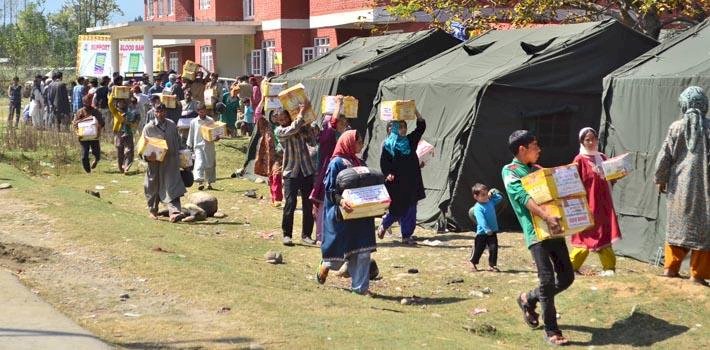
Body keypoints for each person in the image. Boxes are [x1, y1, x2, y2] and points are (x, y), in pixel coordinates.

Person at [502, 130, 573, 346]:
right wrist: (545, 216)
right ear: (522, 149)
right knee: (547, 279)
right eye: (535, 146)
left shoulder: (537, 170)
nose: (539, 149)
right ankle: (552, 330)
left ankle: (528, 298)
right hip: (536, 233)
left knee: (567, 277)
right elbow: (523, 197)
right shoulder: (510, 171)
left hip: (554, 229)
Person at [654, 86, 710, 286]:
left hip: (679, 187)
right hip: (705, 189)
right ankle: (697, 275)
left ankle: (670, 269)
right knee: (703, 231)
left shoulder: (676, 127)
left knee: (676, 227)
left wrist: (660, 179)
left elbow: (665, 155)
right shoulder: (709, 127)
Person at [316, 130, 375, 296]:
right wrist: (342, 201)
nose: (361, 144)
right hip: (342, 214)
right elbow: (329, 190)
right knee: (339, 254)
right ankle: (326, 264)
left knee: (362, 250)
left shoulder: (360, 163)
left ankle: (360, 288)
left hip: (360, 214)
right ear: (348, 142)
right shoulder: (336, 163)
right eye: (358, 141)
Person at [570, 127, 622, 276]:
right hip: (586, 204)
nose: (591, 142)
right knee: (584, 235)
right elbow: (572, 182)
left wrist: (616, 175)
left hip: (603, 204)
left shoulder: (603, 158)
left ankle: (609, 267)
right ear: (582, 142)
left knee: (603, 233)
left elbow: (610, 178)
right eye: (587, 140)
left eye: (594, 139)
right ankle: (571, 267)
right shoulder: (579, 160)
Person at [377, 111, 427, 245]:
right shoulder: (388, 145)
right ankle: (384, 225)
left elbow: (421, 128)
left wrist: (416, 112)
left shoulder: (410, 141)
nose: (403, 129)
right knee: (398, 209)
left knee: (411, 208)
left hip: (411, 181)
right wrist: (388, 173)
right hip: (396, 184)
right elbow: (384, 163)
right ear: (394, 129)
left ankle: (406, 235)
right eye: (400, 127)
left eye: (404, 126)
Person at [275, 105, 317, 246]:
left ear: (289, 116)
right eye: (280, 119)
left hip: (306, 170)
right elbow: (292, 129)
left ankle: (306, 235)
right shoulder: (280, 131)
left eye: (285, 118)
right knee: (290, 203)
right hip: (290, 172)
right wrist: (301, 114)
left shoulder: (300, 127)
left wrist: (309, 126)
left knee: (308, 204)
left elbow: (312, 141)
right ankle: (287, 235)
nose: (283, 121)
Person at [310, 97, 349, 244]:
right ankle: (321, 236)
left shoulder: (340, 136)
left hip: (338, 175)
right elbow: (332, 124)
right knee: (323, 205)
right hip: (326, 175)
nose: (344, 125)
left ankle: (333, 234)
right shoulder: (327, 134)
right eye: (341, 122)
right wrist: (338, 105)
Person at [142, 103, 187, 222]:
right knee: (153, 187)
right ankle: (153, 210)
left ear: (165, 112)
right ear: (154, 112)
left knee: (173, 186)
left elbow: (179, 142)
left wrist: (185, 157)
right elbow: (142, 148)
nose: (160, 114)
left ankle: (175, 212)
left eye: (162, 111)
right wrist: (147, 157)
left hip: (171, 162)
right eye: (158, 111)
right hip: (155, 163)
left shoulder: (172, 125)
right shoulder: (148, 128)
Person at [469, 183, 503, 272]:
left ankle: (492, 265)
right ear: (476, 197)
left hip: (492, 232)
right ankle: (473, 263)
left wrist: (493, 193)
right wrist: (486, 229)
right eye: (482, 195)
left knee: (493, 248)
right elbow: (481, 220)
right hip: (482, 233)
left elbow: (500, 198)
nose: (485, 196)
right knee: (478, 249)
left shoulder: (490, 201)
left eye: (486, 194)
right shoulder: (478, 207)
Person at [187, 102, 218, 190]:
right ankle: (200, 182)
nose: (202, 113)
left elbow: (215, 133)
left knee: (209, 164)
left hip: (209, 145)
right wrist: (190, 145)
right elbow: (191, 133)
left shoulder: (211, 120)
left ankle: (209, 183)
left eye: (204, 111)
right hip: (198, 146)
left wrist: (217, 137)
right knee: (199, 163)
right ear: (198, 111)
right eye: (201, 111)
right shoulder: (194, 122)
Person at [72, 94, 105, 173]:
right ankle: (88, 171)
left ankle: (96, 161)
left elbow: (102, 123)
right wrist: (78, 131)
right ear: (83, 102)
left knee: (97, 153)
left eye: (89, 101)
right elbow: (74, 124)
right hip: (83, 137)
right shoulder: (80, 112)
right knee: (84, 155)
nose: (87, 103)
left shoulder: (95, 111)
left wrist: (97, 126)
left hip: (94, 136)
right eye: (86, 102)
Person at [109, 94, 139, 173]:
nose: (121, 104)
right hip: (119, 132)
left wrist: (128, 122)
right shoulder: (115, 111)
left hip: (128, 131)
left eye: (123, 102)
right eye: (120, 102)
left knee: (129, 150)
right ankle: (120, 167)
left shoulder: (129, 111)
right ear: (117, 103)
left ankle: (126, 166)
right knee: (120, 149)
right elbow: (110, 103)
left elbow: (134, 122)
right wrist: (113, 93)